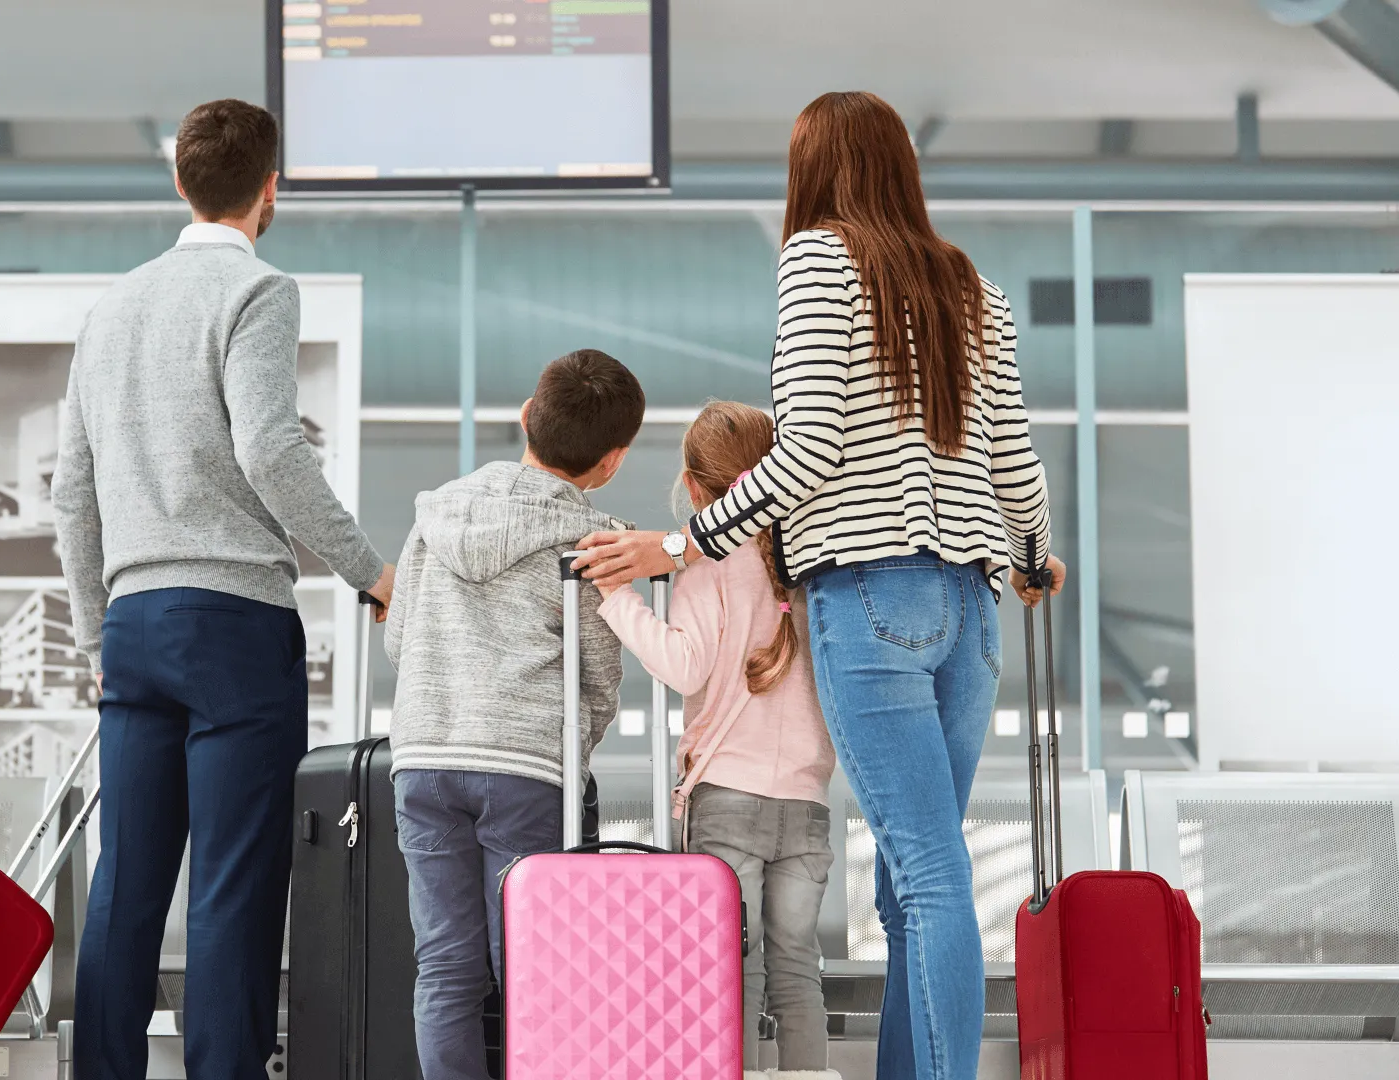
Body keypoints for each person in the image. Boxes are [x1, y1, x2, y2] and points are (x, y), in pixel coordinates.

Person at [574, 91, 1067, 1080]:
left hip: (872, 597)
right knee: (915, 873)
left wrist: (686, 544)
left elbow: (808, 448)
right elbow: (1015, 456)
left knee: (925, 871)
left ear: (815, 170)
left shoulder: (817, 263)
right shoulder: (977, 290)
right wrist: (1030, 554)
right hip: (972, 608)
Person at [51, 98, 395, 1080]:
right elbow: (272, 450)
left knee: (127, 885)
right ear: (270, 189)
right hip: (235, 623)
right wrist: (372, 572)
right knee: (232, 889)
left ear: (179, 183)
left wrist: (93, 632)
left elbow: (71, 493)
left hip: (133, 624)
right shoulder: (258, 291)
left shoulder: (109, 309)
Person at [383, 348, 644, 1080]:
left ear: (526, 416)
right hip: (526, 767)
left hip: (425, 760)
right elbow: (600, 674)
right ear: (613, 461)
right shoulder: (595, 539)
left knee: (445, 968)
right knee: (533, 970)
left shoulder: (437, 514)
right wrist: (569, 751)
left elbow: (400, 637)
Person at [594, 400, 838, 1080]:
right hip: (808, 802)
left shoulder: (710, 561)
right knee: (796, 967)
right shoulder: (812, 565)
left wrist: (620, 600)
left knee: (732, 964)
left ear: (696, 488)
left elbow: (685, 666)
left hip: (729, 795)